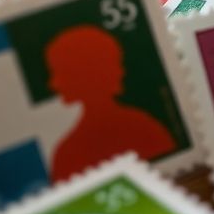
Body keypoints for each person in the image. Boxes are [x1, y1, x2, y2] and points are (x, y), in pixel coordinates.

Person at [47, 25, 175, 182]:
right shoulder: (146, 126)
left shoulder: (67, 152)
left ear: (86, 74)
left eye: (61, 73)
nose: (54, 84)